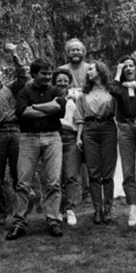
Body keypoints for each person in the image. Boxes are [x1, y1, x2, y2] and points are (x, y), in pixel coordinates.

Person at [6, 58, 66, 240]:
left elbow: (59, 108)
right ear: (33, 74)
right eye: (44, 73)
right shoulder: (24, 91)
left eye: (50, 73)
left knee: (54, 181)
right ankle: (19, 222)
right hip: (28, 138)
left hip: (53, 137)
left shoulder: (56, 90)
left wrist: (35, 108)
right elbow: (22, 113)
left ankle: (53, 220)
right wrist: (48, 109)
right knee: (23, 182)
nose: (48, 77)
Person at [0, 56, 28, 226]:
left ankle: (21, 212)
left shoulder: (11, 88)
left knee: (18, 173)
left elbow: (23, 77)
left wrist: (16, 58)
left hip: (16, 130)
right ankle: (1, 213)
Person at [75, 61, 118, 225]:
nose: (88, 72)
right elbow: (79, 118)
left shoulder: (111, 92)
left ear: (100, 70)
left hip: (108, 128)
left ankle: (108, 210)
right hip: (89, 129)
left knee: (107, 172)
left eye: (91, 69)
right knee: (93, 172)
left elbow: (119, 112)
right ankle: (97, 210)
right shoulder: (83, 95)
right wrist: (79, 137)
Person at [110, 56, 136, 227]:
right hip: (125, 129)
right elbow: (112, 89)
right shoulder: (119, 87)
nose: (128, 69)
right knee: (128, 171)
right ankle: (133, 207)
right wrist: (117, 72)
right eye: (125, 67)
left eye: (131, 66)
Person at [53, 68, 81, 226]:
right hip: (54, 138)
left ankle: (70, 209)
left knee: (71, 175)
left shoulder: (75, 98)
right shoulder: (50, 98)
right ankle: (56, 210)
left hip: (71, 139)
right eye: (59, 81)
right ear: (54, 83)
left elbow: (79, 120)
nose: (62, 83)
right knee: (55, 176)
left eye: (65, 81)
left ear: (69, 83)